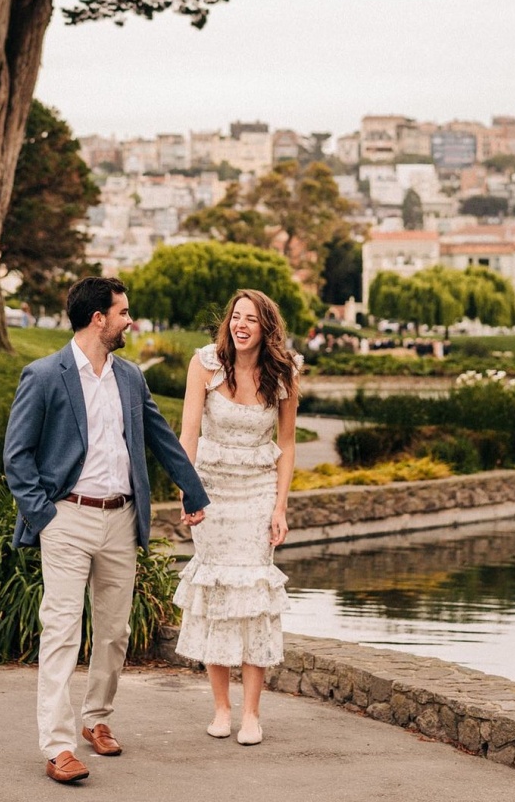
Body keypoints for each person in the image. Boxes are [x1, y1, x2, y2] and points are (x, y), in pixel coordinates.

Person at [3, 276, 210, 784]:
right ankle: (57, 745)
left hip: (121, 519)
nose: (129, 320)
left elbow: (161, 439)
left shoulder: (130, 378)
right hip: (66, 519)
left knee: (115, 631)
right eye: (122, 312)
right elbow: (17, 457)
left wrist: (194, 491)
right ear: (99, 318)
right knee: (61, 631)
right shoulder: (44, 375)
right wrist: (45, 517)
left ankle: (97, 719)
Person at [173, 289, 301, 746]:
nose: (240, 325)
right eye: (235, 317)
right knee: (217, 595)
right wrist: (188, 492)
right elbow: (188, 433)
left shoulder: (284, 373)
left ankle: (251, 714)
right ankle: (221, 709)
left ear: (267, 328)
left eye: (251, 319)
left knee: (252, 601)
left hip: (257, 494)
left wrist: (281, 506)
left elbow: (286, 445)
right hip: (211, 494)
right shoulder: (204, 364)